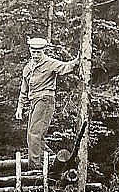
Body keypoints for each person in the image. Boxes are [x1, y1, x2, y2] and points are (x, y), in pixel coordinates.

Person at [14, 37, 80, 170]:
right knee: (35, 136)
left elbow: (65, 67)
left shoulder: (50, 63)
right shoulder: (28, 68)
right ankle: (52, 162)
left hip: (45, 100)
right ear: (30, 51)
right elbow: (23, 89)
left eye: (39, 52)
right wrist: (20, 107)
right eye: (34, 51)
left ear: (43, 51)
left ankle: (35, 168)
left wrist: (77, 60)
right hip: (34, 101)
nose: (36, 54)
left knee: (34, 134)